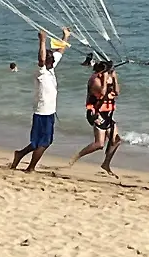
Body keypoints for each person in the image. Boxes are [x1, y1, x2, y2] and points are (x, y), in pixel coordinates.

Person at [9, 27, 71, 172]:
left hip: (49, 112)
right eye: (50, 59)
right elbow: (41, 59)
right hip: (42, 112)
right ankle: (30, 167)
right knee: (44, 142)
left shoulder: (51, 68)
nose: (53, 60)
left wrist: (66, 36)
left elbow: (60, 51)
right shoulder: (41, 72)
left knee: (39, 142)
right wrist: (42, 41)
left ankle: (20, 154)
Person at [68, 60, 122, 177]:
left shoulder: (109, 78)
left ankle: (106, 164)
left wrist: (114, 78)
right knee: (99, 144)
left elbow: (117, 92)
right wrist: (105, 78)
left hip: (108, 114)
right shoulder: (94, 80)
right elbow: (102, 93)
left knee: (116, 140)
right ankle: (77, 156)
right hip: (96, 114)